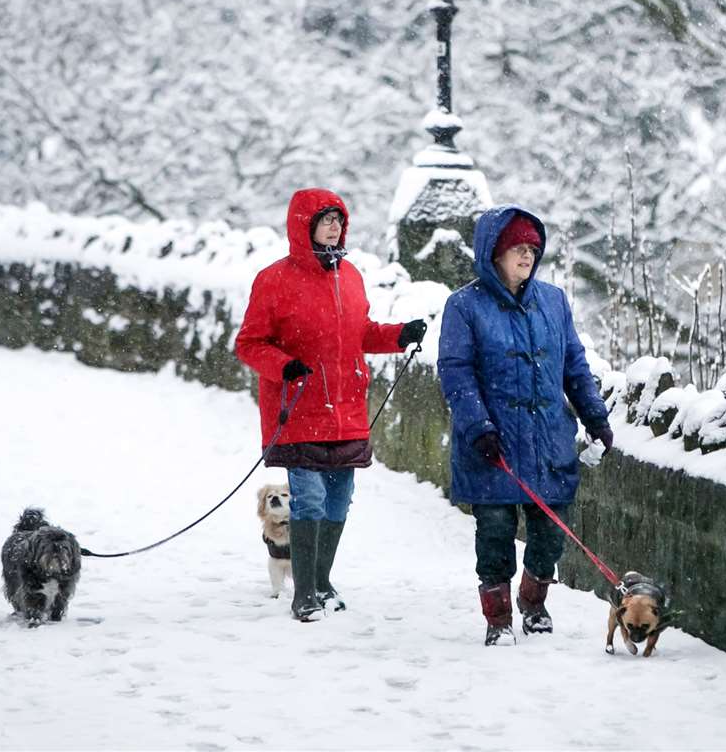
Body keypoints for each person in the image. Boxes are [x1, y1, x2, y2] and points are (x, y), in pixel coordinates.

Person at [235, 188, 427, 622]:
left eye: (339, 219)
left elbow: (362, 333)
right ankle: (303, 593)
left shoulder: (351, 276)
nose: (334, 227)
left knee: (339, 497)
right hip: (300, 407)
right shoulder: (274, 279)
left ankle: (322, 582)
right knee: (310, 497)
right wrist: (283, 366)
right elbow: (249, 344)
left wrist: (398, 336)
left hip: (347, 409)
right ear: (303, 226)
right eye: (325, 220)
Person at [437, 204, 614, 645]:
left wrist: (596, 417)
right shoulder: (463, 306)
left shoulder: (553, 302)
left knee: (550, 532)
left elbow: (574, 363)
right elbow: (456, 371)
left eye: (533, 249)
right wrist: (478, 427)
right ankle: (497, 619)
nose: (527, 257)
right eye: (518, 248)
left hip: (546, 442)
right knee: (495, 533)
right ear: (493, 253)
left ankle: (534, 603)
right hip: (492, 444)